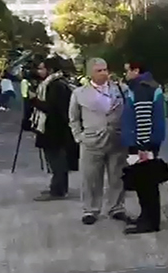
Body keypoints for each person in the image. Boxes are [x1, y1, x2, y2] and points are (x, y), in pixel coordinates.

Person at [69, 58, 133, 225]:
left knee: (117, 176)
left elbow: (129, 111)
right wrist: (79, 137)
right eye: (99, 70)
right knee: (90, 177)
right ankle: (90, 209)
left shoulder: (121, 89)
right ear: (90, 73)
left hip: (117, 139)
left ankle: (116, 207)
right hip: (91, 141)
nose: (104, 73)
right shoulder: (79, 93)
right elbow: (74, 118)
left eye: (105, 69)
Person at [121, 62, 167, 234]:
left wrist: (141, 146)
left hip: (143, 144)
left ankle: (150, 222)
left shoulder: (141, 88)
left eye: (127, 71)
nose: (126, 74)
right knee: (146, 183)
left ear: (136, 70)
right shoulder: (148, 86)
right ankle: (145, 217)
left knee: (146, 184)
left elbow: (143, 118)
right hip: (148, 142)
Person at [30, 56, 75, 201]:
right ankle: (58, 188)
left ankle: (57, 190)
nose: (39, 71)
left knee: (56, 161)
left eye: (42, 68)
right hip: (54, 127)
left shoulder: (55, 86)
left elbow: (51, 108)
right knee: (55, 159)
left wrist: (34, 100)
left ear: (50, 70)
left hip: (54, 128)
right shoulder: (54, 83)